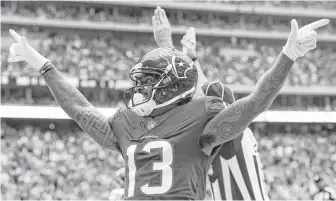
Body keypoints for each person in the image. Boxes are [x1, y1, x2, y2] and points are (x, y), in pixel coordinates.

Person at [7, 4, 328, 199]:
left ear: (168, 89)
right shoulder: (149, 122)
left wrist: (44, 66)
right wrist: (42, 64)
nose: (138, 89)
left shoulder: (195, 122)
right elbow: (81, 111)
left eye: (146, 83)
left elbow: (253, 102)